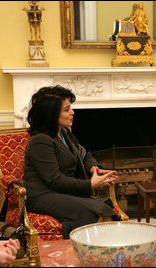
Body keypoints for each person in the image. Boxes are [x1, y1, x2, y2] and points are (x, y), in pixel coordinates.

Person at [24, 85, 120, 239]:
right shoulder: (40, 141)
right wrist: (91, 184)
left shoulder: (63, 133)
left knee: (103, 209)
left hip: (63, 192)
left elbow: (84, 155)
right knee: (98, 212)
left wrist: (93, 168)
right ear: (51, 114)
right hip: (43, 196)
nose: (72, 112)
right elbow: (55, 181)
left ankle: (100, 257)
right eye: (67, 109)